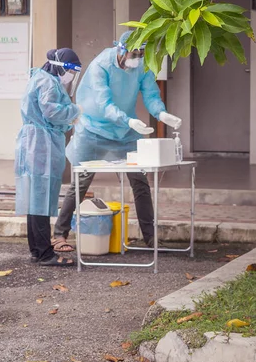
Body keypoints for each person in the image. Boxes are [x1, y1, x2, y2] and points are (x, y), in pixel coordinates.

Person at [51, 31, 181, 252]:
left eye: (141, 54)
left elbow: (150, 94)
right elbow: (104, 103)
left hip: (124, 133)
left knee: (140, 182)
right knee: (80, 182)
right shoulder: (100, 65)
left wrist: (161, 114)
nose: (137, 58)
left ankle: (151, 238)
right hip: (93, 129)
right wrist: (128, 120)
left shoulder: (142, 64)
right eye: (134, 53)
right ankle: (59, 235)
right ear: (120, 50)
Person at [15, 48, 82, 266]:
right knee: (40, 201)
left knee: (36, 201)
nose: (71, 76)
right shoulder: (48, 83)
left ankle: (37, 251)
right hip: (40, 145)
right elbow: (52, 111)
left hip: (36, 142)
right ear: (58, 66)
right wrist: (75, 111)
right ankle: (45, 254)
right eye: (70, 71)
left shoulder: (42, 78)